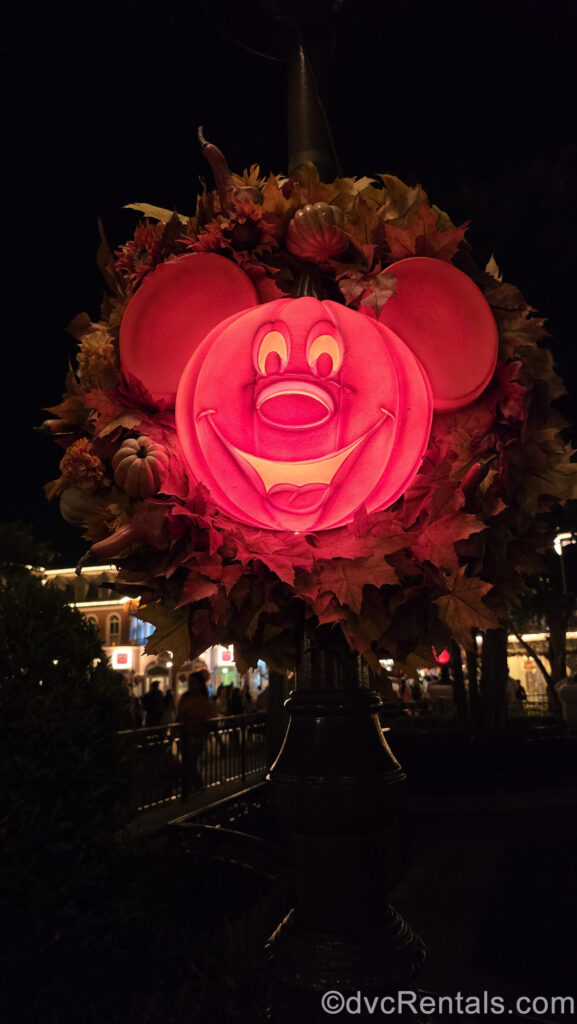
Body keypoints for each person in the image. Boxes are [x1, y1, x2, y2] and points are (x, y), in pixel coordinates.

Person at [177, 670, 218, 797]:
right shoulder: (185, 697)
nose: (190, 685)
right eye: (189, 683)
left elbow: (210, 719)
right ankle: (193, 786)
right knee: (188, 761)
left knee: (190, 761)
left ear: (199, 684)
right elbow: (179, 715)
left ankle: (191, 787)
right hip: (185, 734)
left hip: (198, 735)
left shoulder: (204, 700)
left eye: (193, 683)